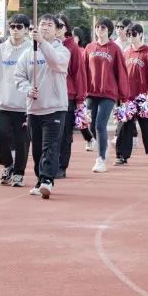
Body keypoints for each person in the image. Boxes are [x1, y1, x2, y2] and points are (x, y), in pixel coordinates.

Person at [13, 14, 70, 198]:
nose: (45, 27)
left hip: (55, 107)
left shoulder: (62, 51)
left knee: (50, 146)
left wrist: (42, 44)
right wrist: (28, 89)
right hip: (34, 108)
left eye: (49, 25)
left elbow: (55, 62)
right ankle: (40, 179)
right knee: (37, 149)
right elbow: (18, 76)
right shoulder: (28, 53)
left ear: (56, 30)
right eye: (42, 24)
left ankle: (47, 180)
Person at [0, 14, 32, 186]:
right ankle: (7, 165)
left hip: (23, 106)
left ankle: (19, 173)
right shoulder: (0, 49)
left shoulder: (31, 49)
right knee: (0, 136)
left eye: (19, 27)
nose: (15, 30)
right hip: (3, 104)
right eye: (12, 26)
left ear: (27, 29)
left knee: (22, 141)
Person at [84, 18, 129, 174]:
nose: (100, 29)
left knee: (100, 125)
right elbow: (83, 71)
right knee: (91, 125)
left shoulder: (115, 49)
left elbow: (121, 73)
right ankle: (103, 146)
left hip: (108, 93)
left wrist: (123, 96)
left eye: (103, 27)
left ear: (108, 30)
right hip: (91, 92)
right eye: (97, 27)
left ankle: (101, 159)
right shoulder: (89, 48)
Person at [115, 23, 148, 166]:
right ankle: (122, 155)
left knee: (147, 127)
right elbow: (121, 75)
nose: (131, 37)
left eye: (134, 34)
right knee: (125, 126)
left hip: (143, 98)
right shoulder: (125, 53)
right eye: (128, 34)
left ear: (141, 34)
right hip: (128, 98)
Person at [56, 14, 87, 179]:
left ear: (66, 28)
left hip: (67, 97)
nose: (58, 29)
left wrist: (80, 99)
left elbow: (79, 74)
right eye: (56, 25)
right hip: (50, 96)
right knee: (51, 134)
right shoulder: (47, 45)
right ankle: (50, 164)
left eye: (61, 26)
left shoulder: (72, 47)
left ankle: (62, 166)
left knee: (65, 134)